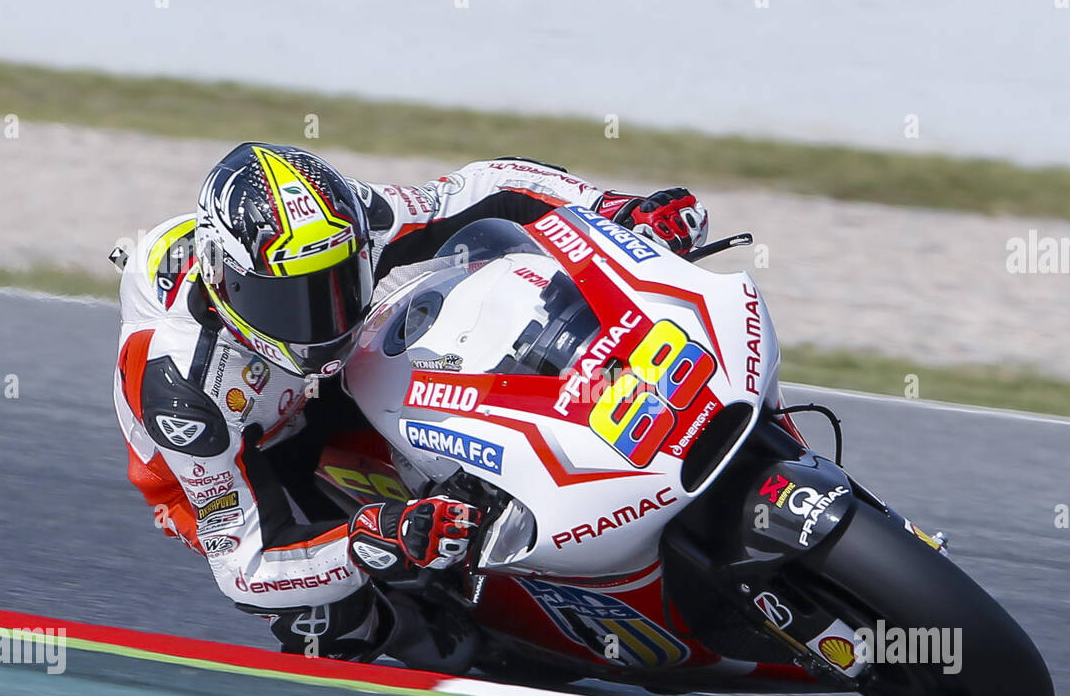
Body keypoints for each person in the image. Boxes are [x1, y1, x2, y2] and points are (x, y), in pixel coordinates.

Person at [112, 142, 709, 668]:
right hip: (232, 454)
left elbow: (486, 188)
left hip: (328, 380)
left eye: (336, 284)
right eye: (289, 301)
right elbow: (246, 567)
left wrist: (612, 210)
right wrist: (374, 539)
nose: (321, 317)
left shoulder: (347, 222)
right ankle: (399, 619)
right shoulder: (182, 394)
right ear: (226, 282)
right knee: (334, 628)